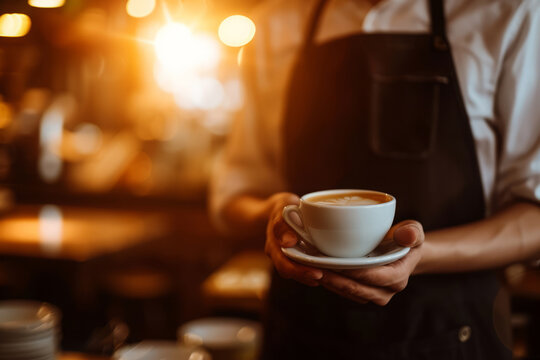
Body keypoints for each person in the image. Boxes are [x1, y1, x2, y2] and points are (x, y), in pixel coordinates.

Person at [209, 0, 540, 358]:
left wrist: (422, 254)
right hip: (302, 334)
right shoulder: (276, 24)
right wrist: (272, 214)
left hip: (452, 334)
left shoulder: (511, 12)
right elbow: (234, 198)